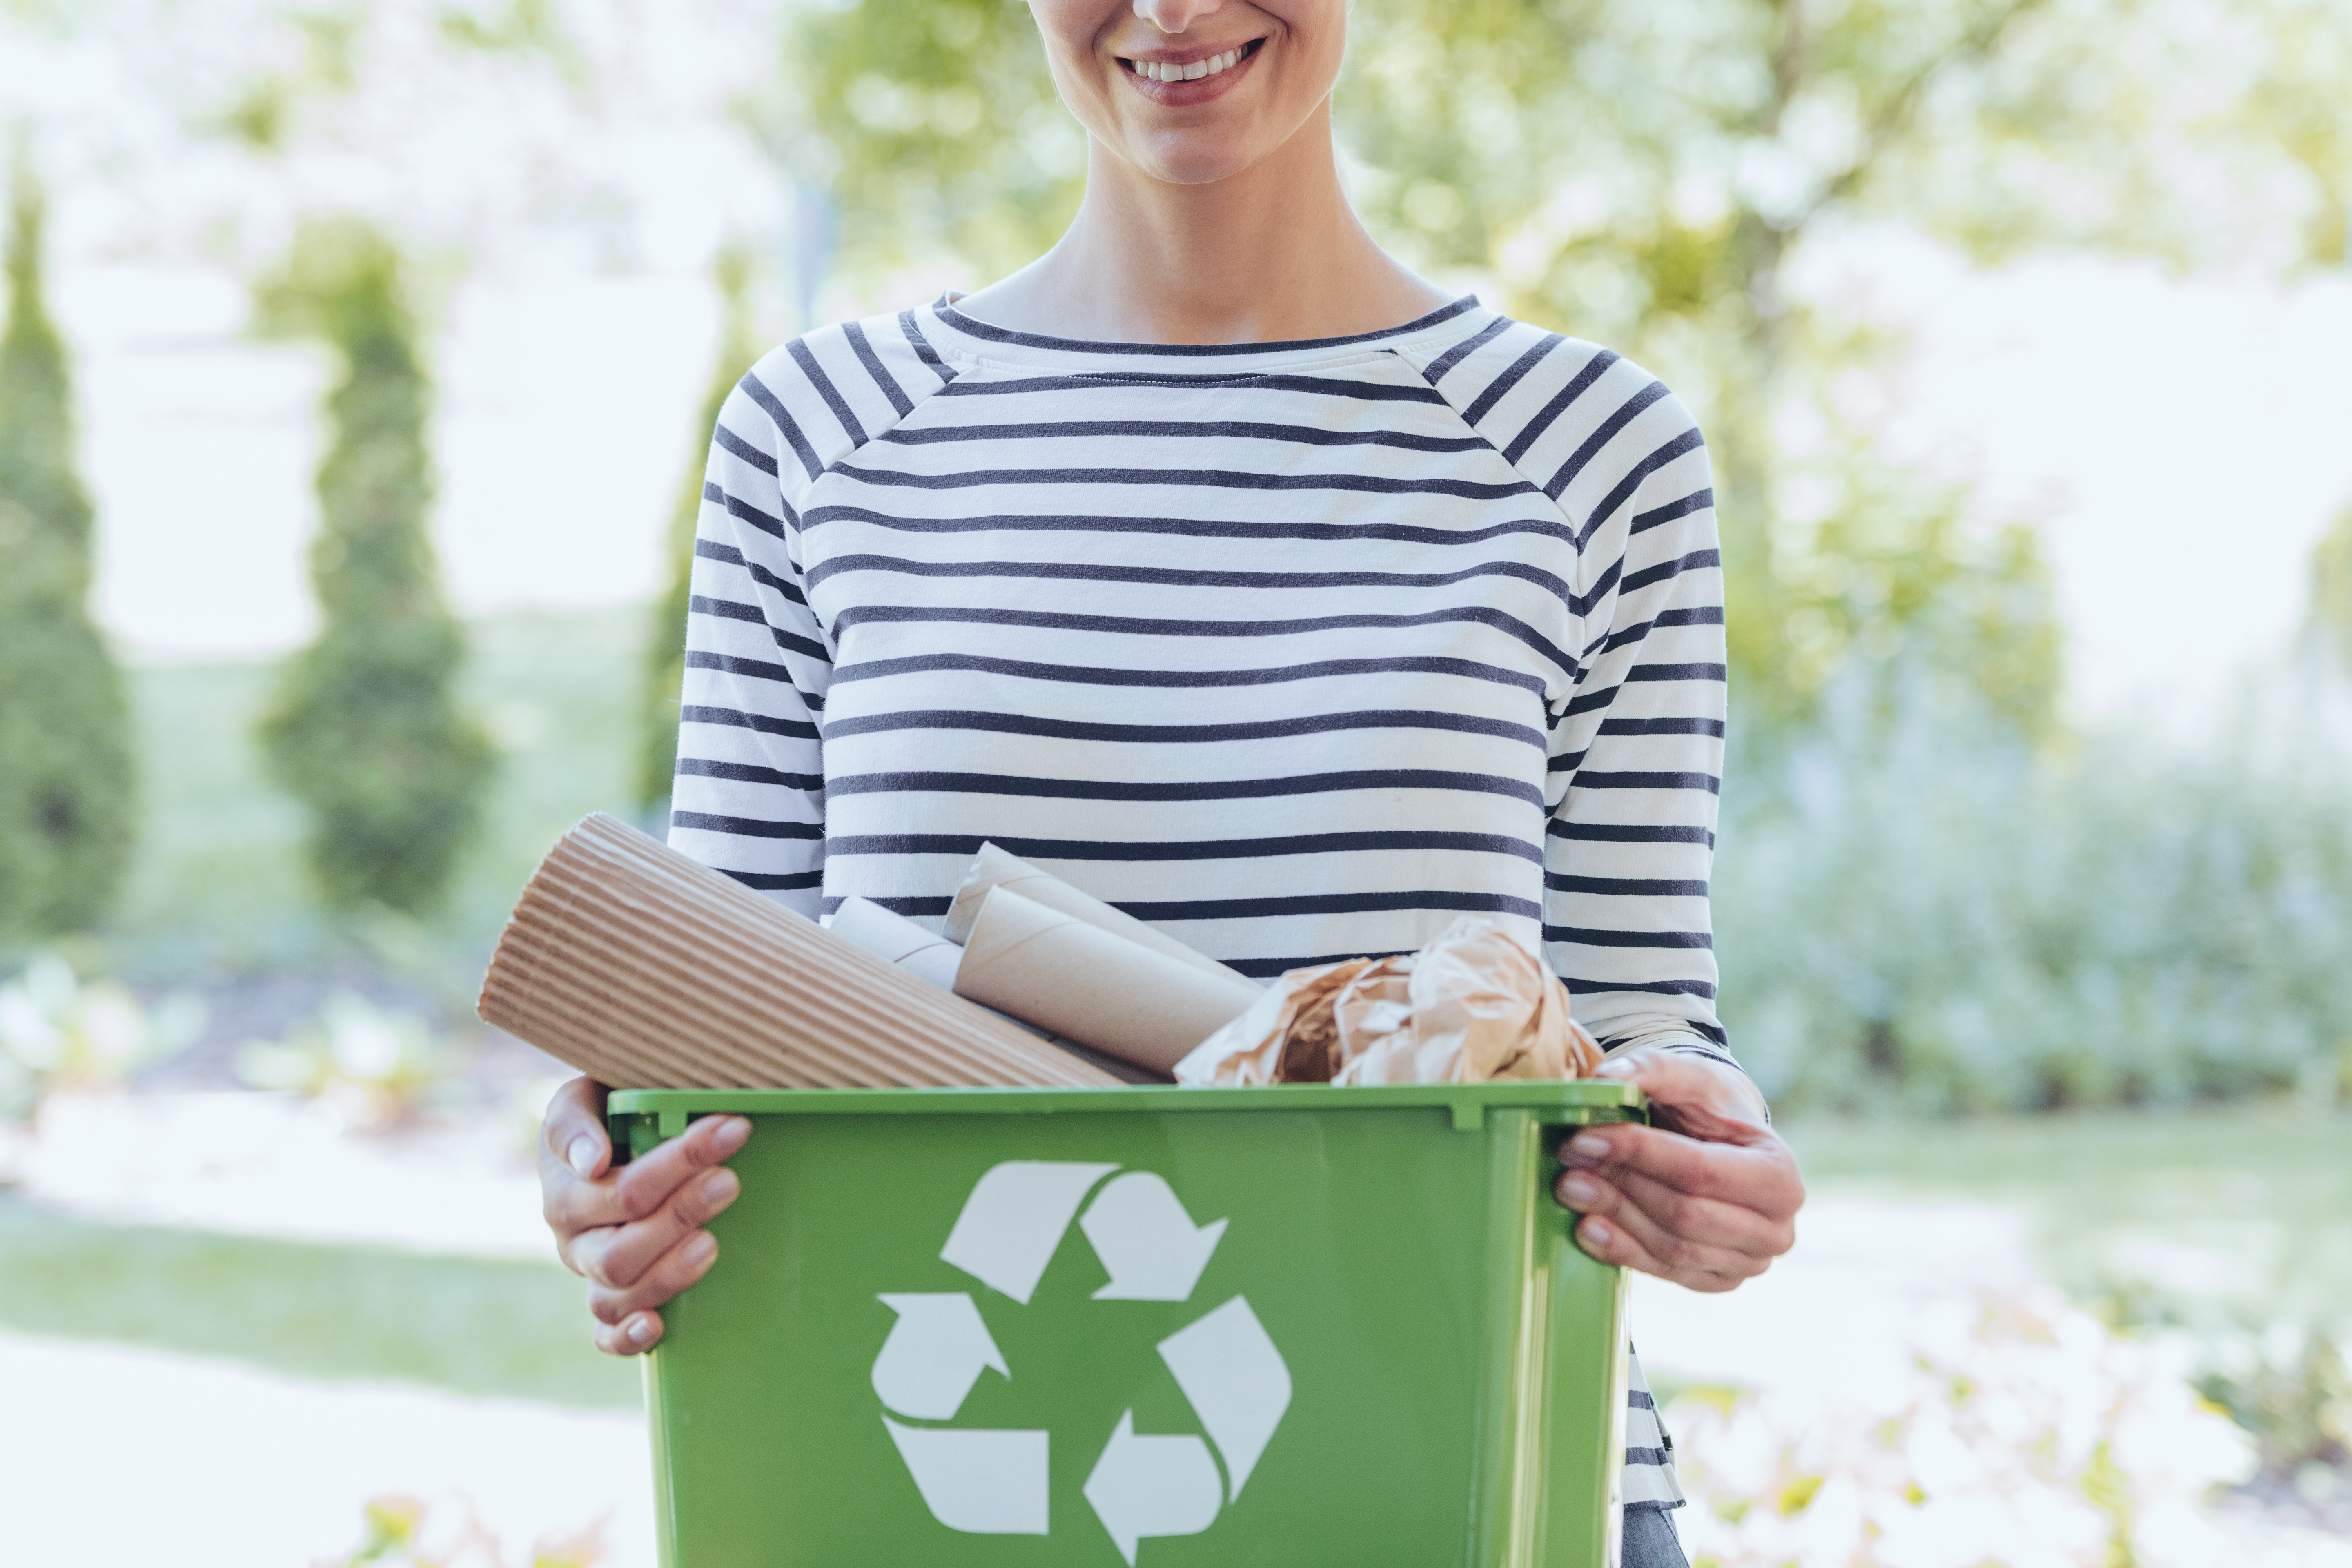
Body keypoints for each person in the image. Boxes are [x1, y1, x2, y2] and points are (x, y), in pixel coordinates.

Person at [536, 1, 1804, 1561]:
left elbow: (1638, 1007)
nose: (1174, 9)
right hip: (919, 1488)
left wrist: (1706, 1152)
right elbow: (703, 1004)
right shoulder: (822, 436)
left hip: (1459, 1459)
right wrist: (608, 1167)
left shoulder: (1594, 454)